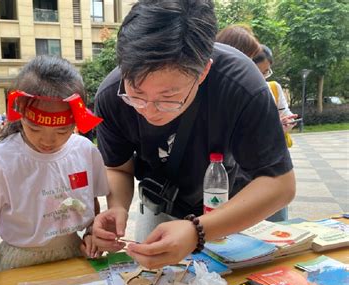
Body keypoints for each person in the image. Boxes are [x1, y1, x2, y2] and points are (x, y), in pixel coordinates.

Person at [91, 0, 296, 269]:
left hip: (232, 205)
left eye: (169, 97)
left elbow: (280, 184)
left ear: (204, 72)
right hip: (164, 201)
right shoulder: (110, 96)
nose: (150, 111)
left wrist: (196, 230)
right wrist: (116, 206)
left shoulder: (241, 86)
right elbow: (118, 168)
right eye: (137, 94)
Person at [0, 56, 109, 285]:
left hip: (73, 254)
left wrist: (92, 233)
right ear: (19, 114)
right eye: (34, 128)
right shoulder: (0, 158)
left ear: (76, 119)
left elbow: (90, 202)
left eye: (62, 130)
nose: (48, 140)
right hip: (19, 260)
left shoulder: (85, 151)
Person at [216, 26, 297, 221]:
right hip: (229, 191)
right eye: (253, 69)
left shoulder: (258, 92)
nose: (258, 79)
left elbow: (282, 185)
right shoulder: (217, 97)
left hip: (261, 183)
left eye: (265, 73)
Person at [253, 45, 298, 148]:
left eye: (266, 72)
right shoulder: (240, 93)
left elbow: (285, 112)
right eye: (257, 73)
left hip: (275, 149)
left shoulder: (274, 88)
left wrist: (288, 121)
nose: (262, 78)